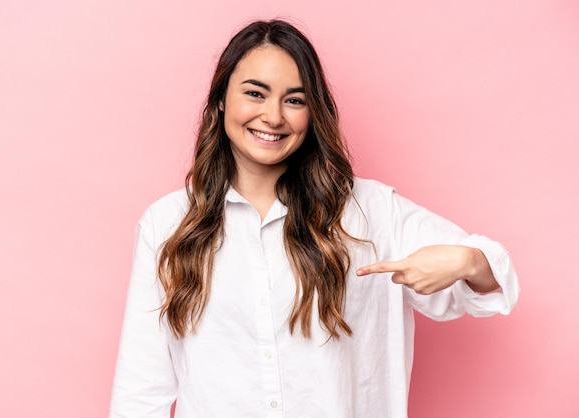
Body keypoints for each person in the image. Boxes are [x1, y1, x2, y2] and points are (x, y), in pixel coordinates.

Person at [109, 19, 519, 418]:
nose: (273, 117)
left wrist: (468, 262)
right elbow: (140, 390)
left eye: (294, 100)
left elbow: (490, 280)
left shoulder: (370, 211)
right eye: (255, 93)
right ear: (220, 99)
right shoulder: (166, 225)